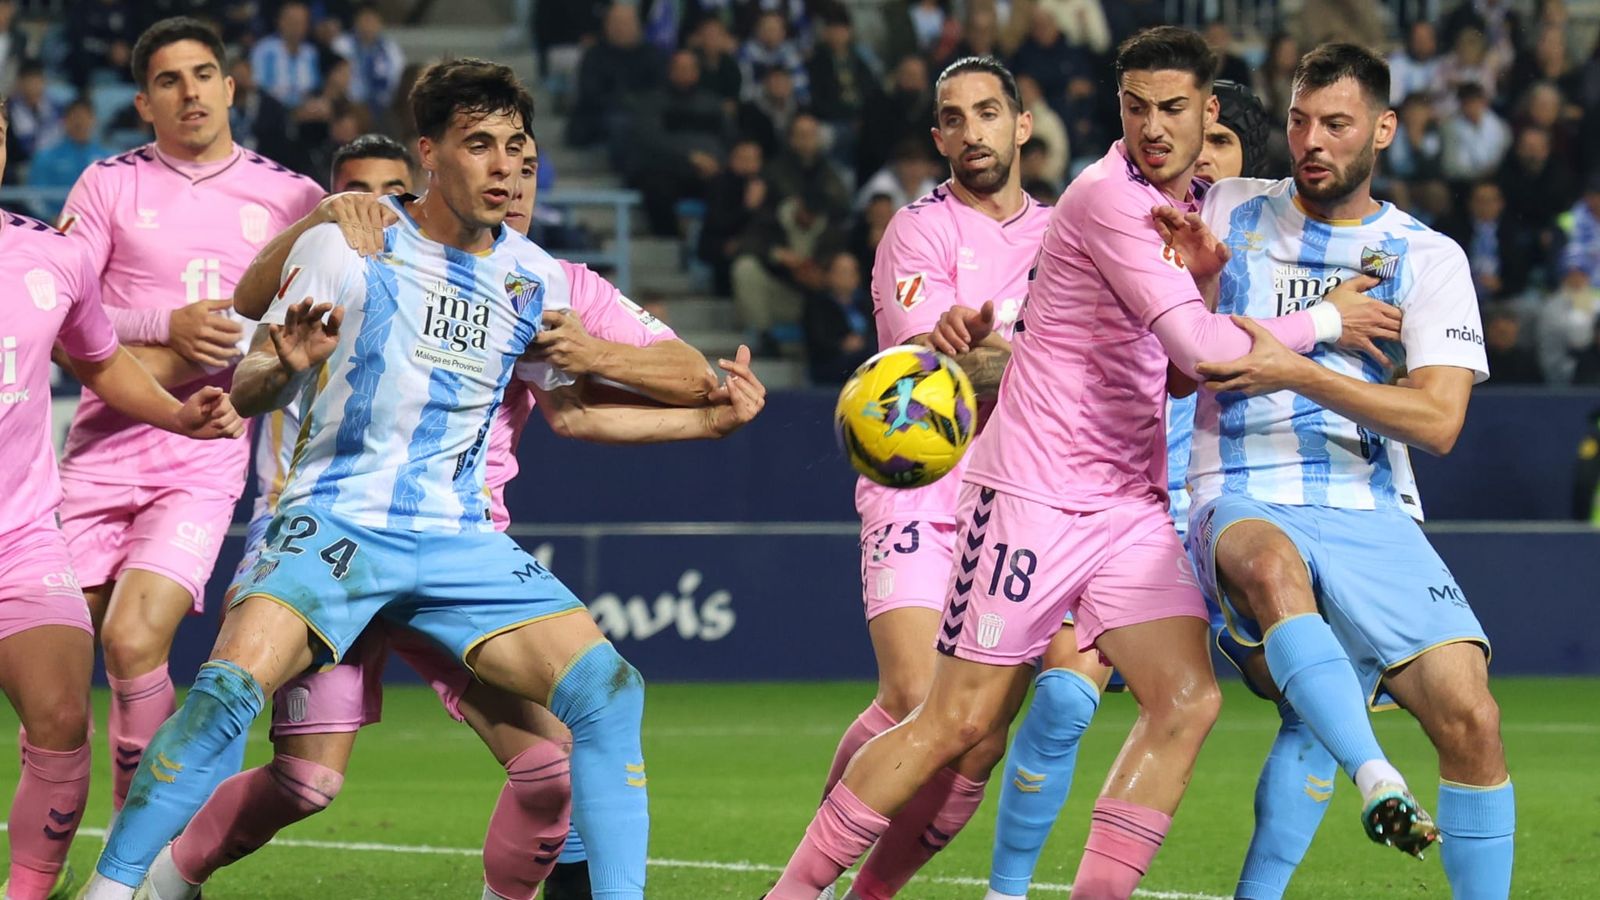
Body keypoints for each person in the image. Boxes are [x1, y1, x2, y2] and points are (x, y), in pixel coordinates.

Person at [80, 57, 762, 900]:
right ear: (430, 154)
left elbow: (581, 412)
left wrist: (706, 416)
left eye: (518, 147)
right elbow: (252, 380)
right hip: (335, 522)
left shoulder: (537, 278)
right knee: (234, 701)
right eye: (481, 146)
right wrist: (282, 367)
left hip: (456, 538)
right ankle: (118, 890)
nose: (505, 166)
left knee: (608, 692)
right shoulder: (350, 245)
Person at [766, 28, 1396, 899]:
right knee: (953, 719)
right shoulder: (1105, 199)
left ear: (1209, 112)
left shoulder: (1187, 209)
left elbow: (1177, 373)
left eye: (1173, 108)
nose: (1153, 126)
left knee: (1188, 700)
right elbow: (1206, 354)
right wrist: (1324, 321)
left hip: (1126, 505)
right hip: (1030, 493)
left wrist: (1209, 282)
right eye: (1135, 107)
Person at [1177, 43, 1513, 895]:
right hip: (1241, 488)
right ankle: (1378, 780)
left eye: (1336, 124)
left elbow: (1439, 422)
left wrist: (1297, 367)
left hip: (1369, 506)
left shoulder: (1424, 257)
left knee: (1472, 716)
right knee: (1268, 569)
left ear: (1384, 131)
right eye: (1298, 121)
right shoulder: (1227, 207)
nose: (1311, 141)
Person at [981, 77, 1293, 900]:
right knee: (1064, 700)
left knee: (1277, 696)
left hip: (1227, 498)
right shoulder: (1120, 228)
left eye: (1220, 156)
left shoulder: (1262, 266)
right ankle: (1007, 892)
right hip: (1113, 497)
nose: (1197, 180)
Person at [54, 16, 323, 818]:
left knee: (136, 641)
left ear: (231, 87)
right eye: (169, 81)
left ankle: (140, 847)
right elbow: (61, 310)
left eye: (204, 74)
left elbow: (320, 319)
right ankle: (55, 849)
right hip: (101, 445)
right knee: (53, 663)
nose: (191, 92)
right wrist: (160, 325)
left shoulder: (291, 198)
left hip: (204, 446)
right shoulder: (107, 183)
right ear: (143, 102)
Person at [803, 57, 1054, 900]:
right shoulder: (919, 230)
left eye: (989, 112)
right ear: (938, 137)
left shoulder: (1065, 234)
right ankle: (807, 876)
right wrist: (1053, 364)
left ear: (1022, 126)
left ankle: (869, 892)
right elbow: (936, 379)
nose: (972, 130)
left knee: (978, 735)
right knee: (918, 696)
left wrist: (1021, 359)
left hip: (1022, 502)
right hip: (921, 485)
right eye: (954, 117)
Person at [0, 97, 241, 900]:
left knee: (64, 720)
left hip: (21, 541)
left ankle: (28, 892)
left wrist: (178, 416)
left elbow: (100, 361)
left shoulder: (48, 256)